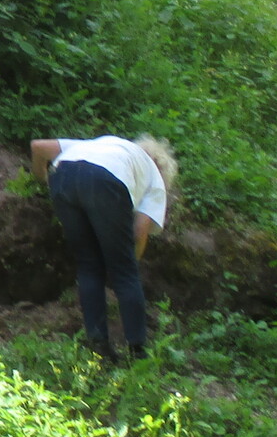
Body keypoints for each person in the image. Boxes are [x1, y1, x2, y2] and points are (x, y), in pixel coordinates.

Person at [28, 133, 178, 361]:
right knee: (125, 272)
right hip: (107, 183)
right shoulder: (154, 176)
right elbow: (139, 231)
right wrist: (129, 261)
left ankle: (98, 346)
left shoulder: (97, 144)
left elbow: (38, 146)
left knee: (89, 265)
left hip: (63, 175)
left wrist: (42, 181)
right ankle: (137, 351)